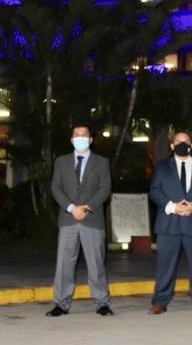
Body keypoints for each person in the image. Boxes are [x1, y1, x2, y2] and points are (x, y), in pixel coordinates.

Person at [47, 123, 113, 317]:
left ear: (91, 139)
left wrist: (87, 207)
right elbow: (56, 188)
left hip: (92, 219)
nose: (80, 137)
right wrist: (71, 207)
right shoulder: (61, 161)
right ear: (71, 139)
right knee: (64, 264)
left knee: (96, 264)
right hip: (68, 219)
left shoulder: (102, 162)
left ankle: (102, 303)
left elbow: (105, 188)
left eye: (84, 135)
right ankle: (61, 303)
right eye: (76, 135)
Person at [148, 131, 192, 314]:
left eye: (186, 142)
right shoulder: (162, 167)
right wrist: (172, 206)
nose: (182, 144)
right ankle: (160, 301)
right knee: (165, 265)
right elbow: (154, 191)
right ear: (171, 146)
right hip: (168, 223)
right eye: (178, 142)